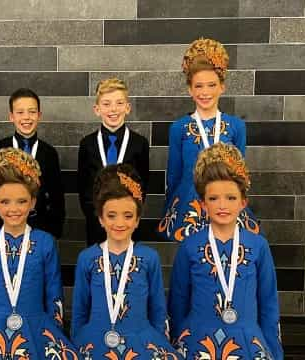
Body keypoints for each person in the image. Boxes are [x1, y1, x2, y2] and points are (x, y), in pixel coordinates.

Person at [0, 148, 78, 359]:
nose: (14, 209)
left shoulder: (45, 242)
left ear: (33, 202)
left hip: (35, 329)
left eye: (22, 201)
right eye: (5, 202)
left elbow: (54, 296)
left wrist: (53, 334)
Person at [168, 142, 283, 359]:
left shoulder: (258, 246)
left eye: (230, 198)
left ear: (243, 202)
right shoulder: (189, 246)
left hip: (248, 345)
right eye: (213, 198)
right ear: (202, 204)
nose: (222, 205)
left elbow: (268, 306)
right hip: (197, 344)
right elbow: (177, 303)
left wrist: (274, 352)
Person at [71, 164, 181, 359]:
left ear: (138, 219)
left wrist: (159, 346)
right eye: (111, 216)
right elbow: (79, 313)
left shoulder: (149, 258)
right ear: (100, 219)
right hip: (94, 343)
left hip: (142, 343)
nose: (120, 223)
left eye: (128, 216)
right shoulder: (87, 258)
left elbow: (158, 311)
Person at [157, 38, 259, 242]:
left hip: (225, 205)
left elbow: (240, 175)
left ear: (222, 87)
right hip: (189, 208)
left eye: (212, 85)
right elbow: (174, 175)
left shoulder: (236, 126)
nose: (205, 92)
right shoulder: (179, 128)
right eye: (199, 86)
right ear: (190, 90)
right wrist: (171, 207)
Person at [0, 88, 65, 239]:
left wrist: (54, 233)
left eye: (32, 112)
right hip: (7, 223)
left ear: (39, 115)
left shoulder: (49, 152)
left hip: (41, 227)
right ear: (11, 116)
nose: (26, 117)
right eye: (20, 112)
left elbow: (57, 197)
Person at [78, 78, 149, 246]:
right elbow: (83, 188)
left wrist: (130, 217)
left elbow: (143, 186)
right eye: (106, 104)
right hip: (97, 224)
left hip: (128, 223)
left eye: (119, 103)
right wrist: (99, 218)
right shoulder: (87, 144)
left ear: (127, 107)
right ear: (97, 109)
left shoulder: (139, 143)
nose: (113, 109)